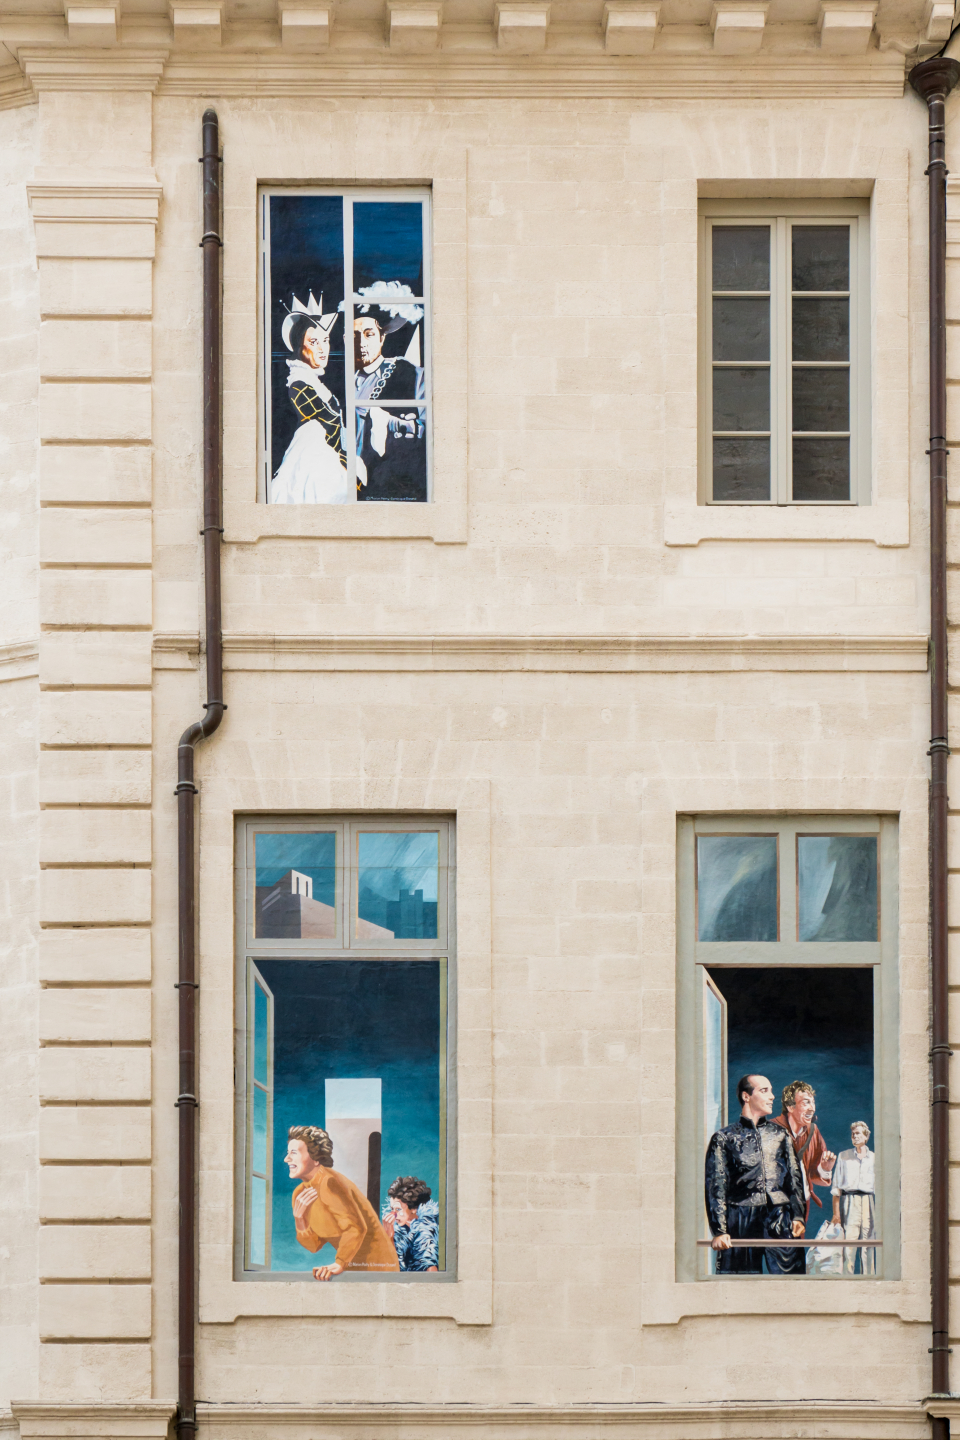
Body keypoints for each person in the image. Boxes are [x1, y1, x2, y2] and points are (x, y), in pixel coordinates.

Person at [704, 1073, 806, 1275]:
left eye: (771, 1091)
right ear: (746, 1096)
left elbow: (794, 1178)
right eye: (764, 1090)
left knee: (791, 1281)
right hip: (740, 1219)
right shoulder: (724, 1138)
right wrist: (720, 1230)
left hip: (779, 1216)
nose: (772, 1096)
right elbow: (716, 1187)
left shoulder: (780, 1134)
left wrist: (798, 1216)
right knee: (739, 1281)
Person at [285, 1125, 399, 1279]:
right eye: (288, 1153)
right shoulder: (299, 1194)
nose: (287, 1159)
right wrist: (299, 1219)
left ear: (316, 1158)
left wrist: (339, 1263)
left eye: (293, 1153)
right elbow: (313, 1246)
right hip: (350, 1267)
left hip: (378, 1266)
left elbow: (355, 1228)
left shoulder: (330, 1183)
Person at [271, 297, 350, 505]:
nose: (323, 349)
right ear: (300, 346)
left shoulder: (313, 381)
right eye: (314, 342)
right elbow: (327, 422)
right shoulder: (298, 382)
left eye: (326, 340)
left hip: (328, 456)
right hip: (315, 458)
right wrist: (345, 460)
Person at [352, 291, 427, 503]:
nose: (361, 343)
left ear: (382, 337)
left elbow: (429, 430)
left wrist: (389, 423)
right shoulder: (340, 380)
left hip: (388, 486)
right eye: (355, 336)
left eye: (369, 334)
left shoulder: (410, 373)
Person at [772, 1080, 837, 1223]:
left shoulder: (813, 1131)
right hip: (775, 1205)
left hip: (802, 1201)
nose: (812, 1108)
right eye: (806, 1103)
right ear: (790, 1106)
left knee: (799, 1237)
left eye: (812, 1102)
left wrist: (825, 1169)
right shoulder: (770, 1129)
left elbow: (813, 1175)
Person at [831, 1120, 876, 1276]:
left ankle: (869, 1278)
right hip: (849, 1202)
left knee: (868, 1243)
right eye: (853, 1134)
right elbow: (836, 1188)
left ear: (866, 1136)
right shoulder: (843, 1156)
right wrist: (836, 1213)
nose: (855, 1136)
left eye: (858, 1133)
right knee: (849, 1244)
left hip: (868, 1202)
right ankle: (847, 1279)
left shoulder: (874, 1158)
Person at [381, 1176, 439, 1271]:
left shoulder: (426, 1232)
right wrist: (389, 1237)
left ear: (414, 1209)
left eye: (398, 1209)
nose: (393, 1214)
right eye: (392, 1209)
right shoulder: (398, 1230)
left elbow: (431, 1270)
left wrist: (389, 1238)